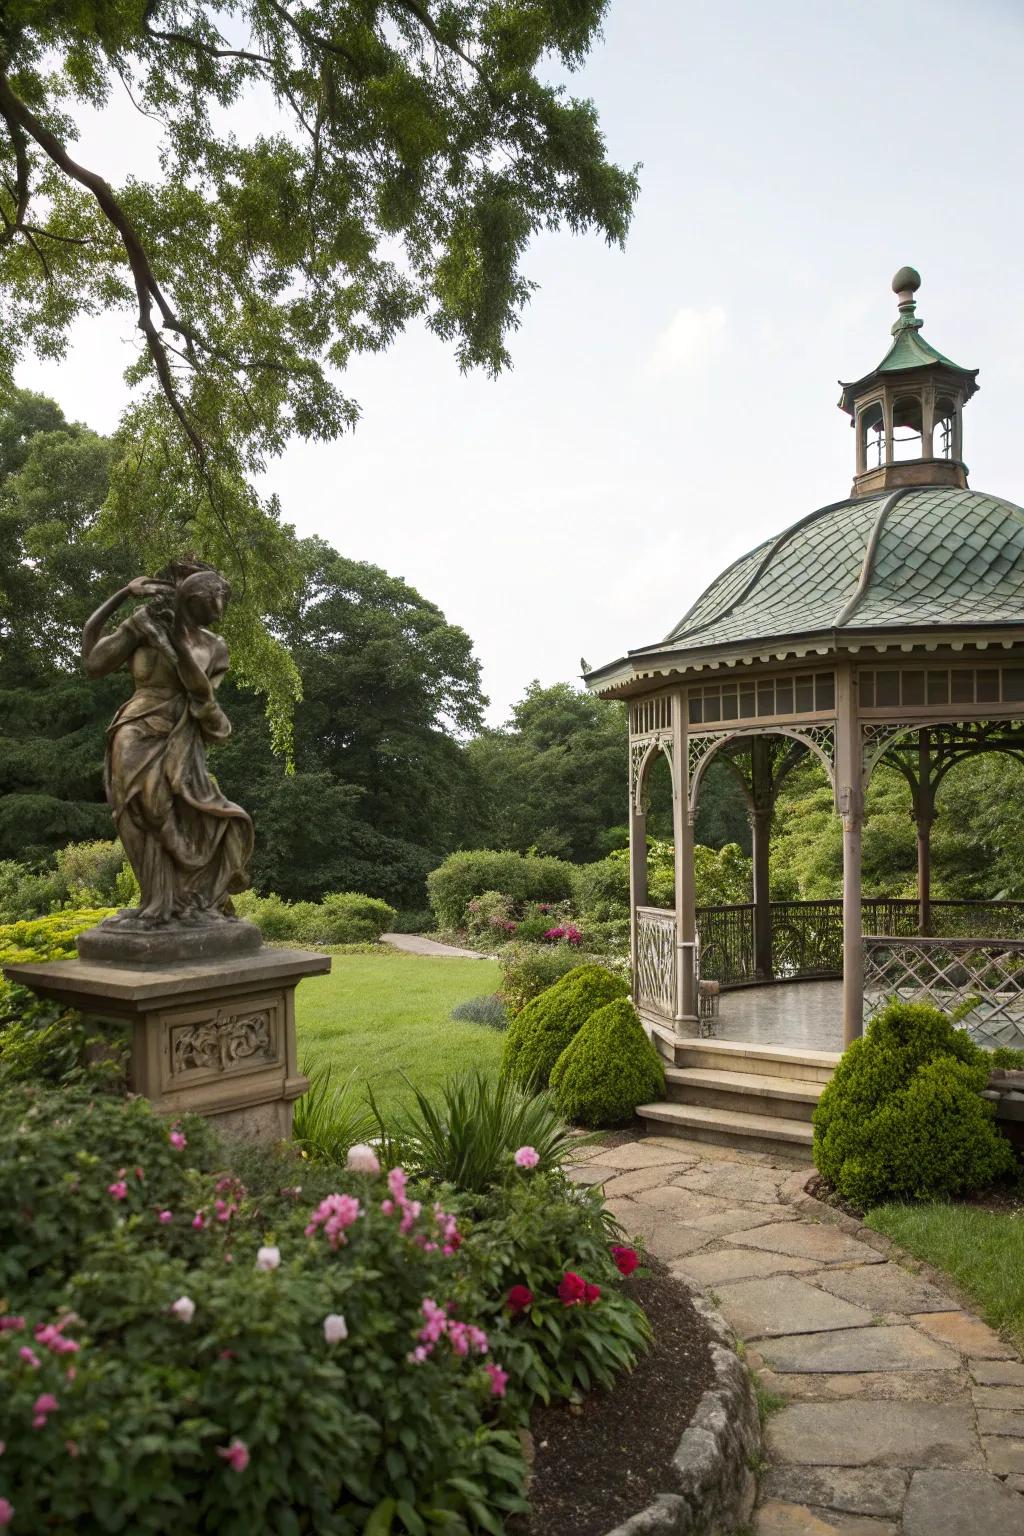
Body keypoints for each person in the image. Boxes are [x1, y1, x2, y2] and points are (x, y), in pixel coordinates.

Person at [81, 558, 254, 928]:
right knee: (137, 810)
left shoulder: (214, 646)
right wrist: (123, 595)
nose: (221, 609)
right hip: (135, 728)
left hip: (182, 735)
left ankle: (186, 901)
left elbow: (200, 692)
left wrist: (168, 641)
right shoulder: (141, 626)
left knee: (194, 813)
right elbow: (94, 664)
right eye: (217, 598)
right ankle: (154, 902)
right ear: (193, 596)